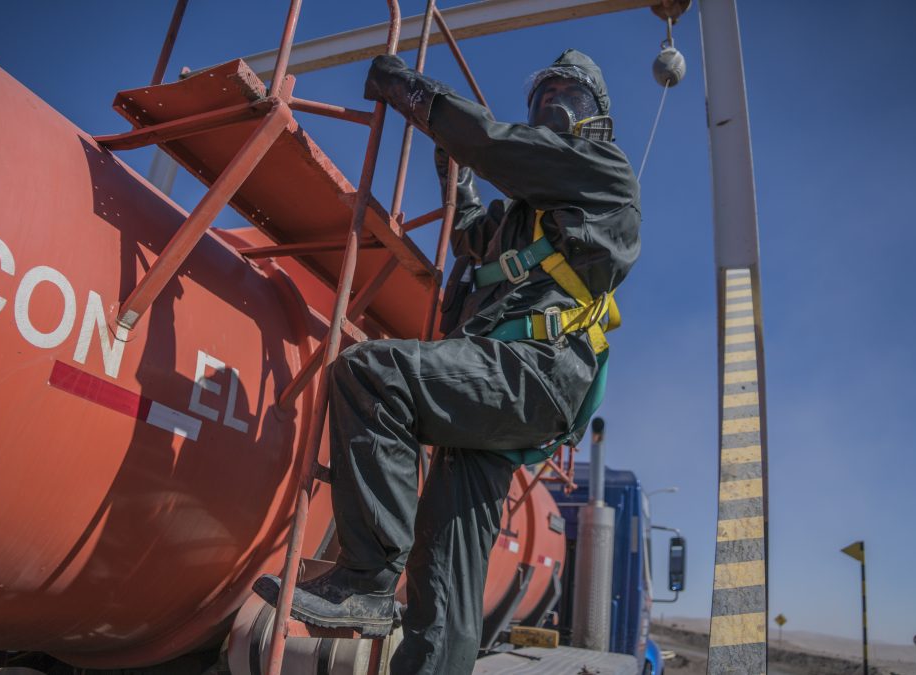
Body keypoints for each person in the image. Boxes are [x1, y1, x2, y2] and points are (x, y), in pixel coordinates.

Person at [255, 49, 640, 674]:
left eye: (568, 96)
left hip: (533, 371)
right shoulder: (525, 214)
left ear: (595, 115)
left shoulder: (606, 175)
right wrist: (453, 173)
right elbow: (470, 235)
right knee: (445, 570)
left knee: (372, 374)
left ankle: (366, 578)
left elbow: (495, 145)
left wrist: (411, 92)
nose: (553, 107)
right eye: (544, 96)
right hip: (499, 381)